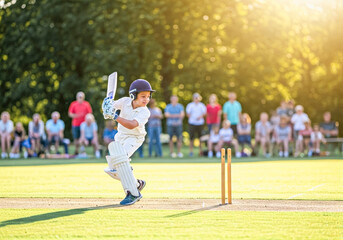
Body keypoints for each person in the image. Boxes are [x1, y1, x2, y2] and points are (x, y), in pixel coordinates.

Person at [102, 79, 154, 205]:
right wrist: (107, 105)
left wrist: (114, 116)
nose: (146, 99)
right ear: (133, 95)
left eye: (148, 96)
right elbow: (110, 107)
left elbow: (131, 125)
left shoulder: (144, 111)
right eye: (143, 96)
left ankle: (133, 193)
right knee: (112, 169)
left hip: (134, 138)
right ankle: (137, 184)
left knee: (121, 162)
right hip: (120, 136)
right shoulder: (125, 101)